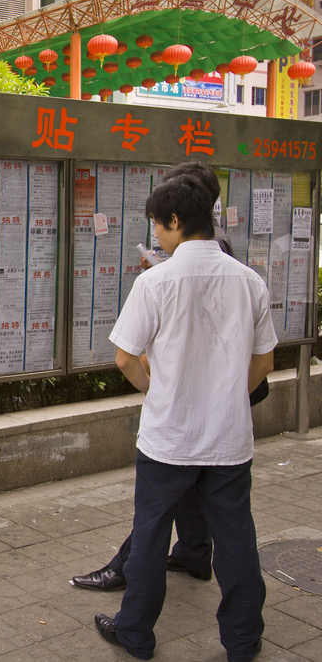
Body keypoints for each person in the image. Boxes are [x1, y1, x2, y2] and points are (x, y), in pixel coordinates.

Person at [94, 175, 276, 662]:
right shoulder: (248, 279)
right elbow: (264, 361)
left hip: (168, 439)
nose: (155, 234)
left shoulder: (155, 282)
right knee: (236, 538)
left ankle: (135, 634)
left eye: (157, 224)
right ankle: (242, 639)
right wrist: (226, 394)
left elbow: (125, 358)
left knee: (151, 535)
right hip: (229, 439)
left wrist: (161, 391)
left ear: (175, 221)